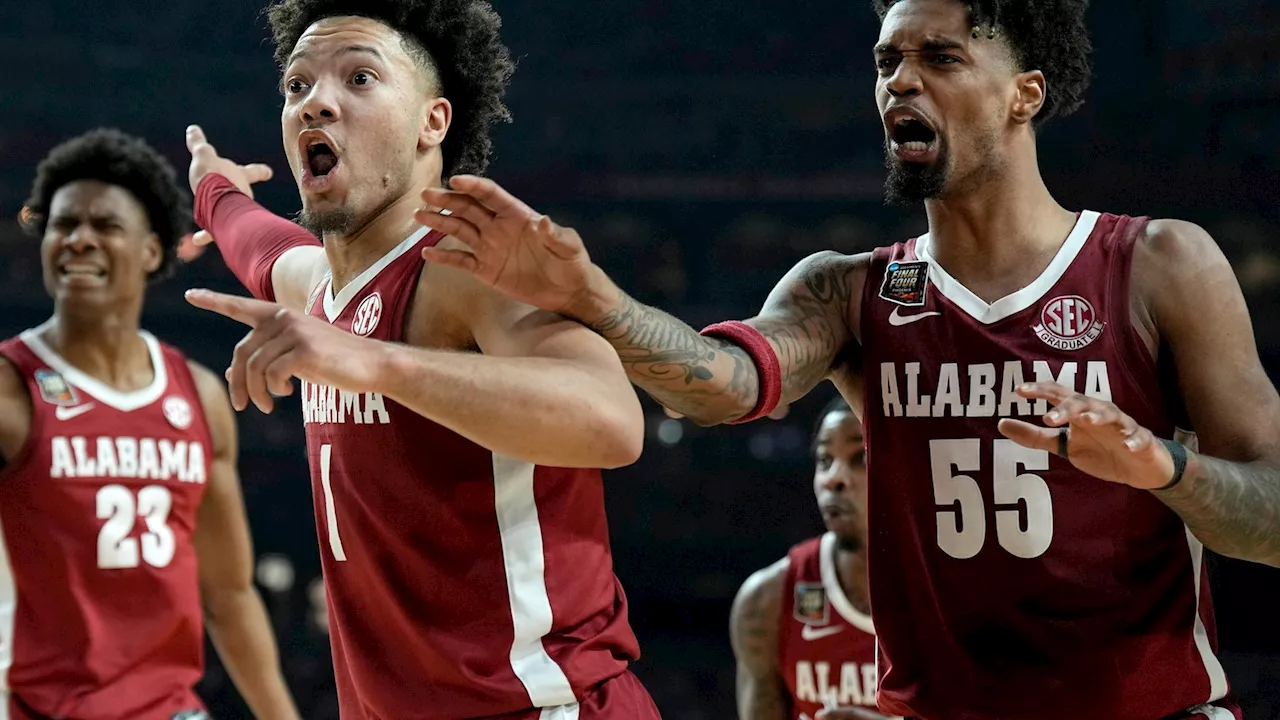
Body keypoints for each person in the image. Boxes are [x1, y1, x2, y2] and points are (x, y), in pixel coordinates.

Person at [409, 0, 1280, 717]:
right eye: (885, 60)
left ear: (1024, 94)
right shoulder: (850, 292)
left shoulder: (1158, 265)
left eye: (940, 57)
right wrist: (594, 299)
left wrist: (1158, 464)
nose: (900, 79)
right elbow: (726, 386)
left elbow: (1272, 519)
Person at [178, 1, 657, 718]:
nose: (316, 104)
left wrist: (373, 362)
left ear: (433, 122)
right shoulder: (319, 288)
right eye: (297, 86)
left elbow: (614, 421)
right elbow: (257, 241)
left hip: (542, 705)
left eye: (360, 78)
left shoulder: (469, 266)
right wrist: (212, 186)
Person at [0, 129, 300, 720]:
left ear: (153, 251)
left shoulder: (198, 393)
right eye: (63, 225)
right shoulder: (11, 385)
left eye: (105, 226)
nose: (78, 240)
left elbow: (230, 594)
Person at [731, 397, 892, 720]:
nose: (834, 477)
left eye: (860, 457)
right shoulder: (766, 601)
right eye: (824, 459)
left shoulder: (955, 593)